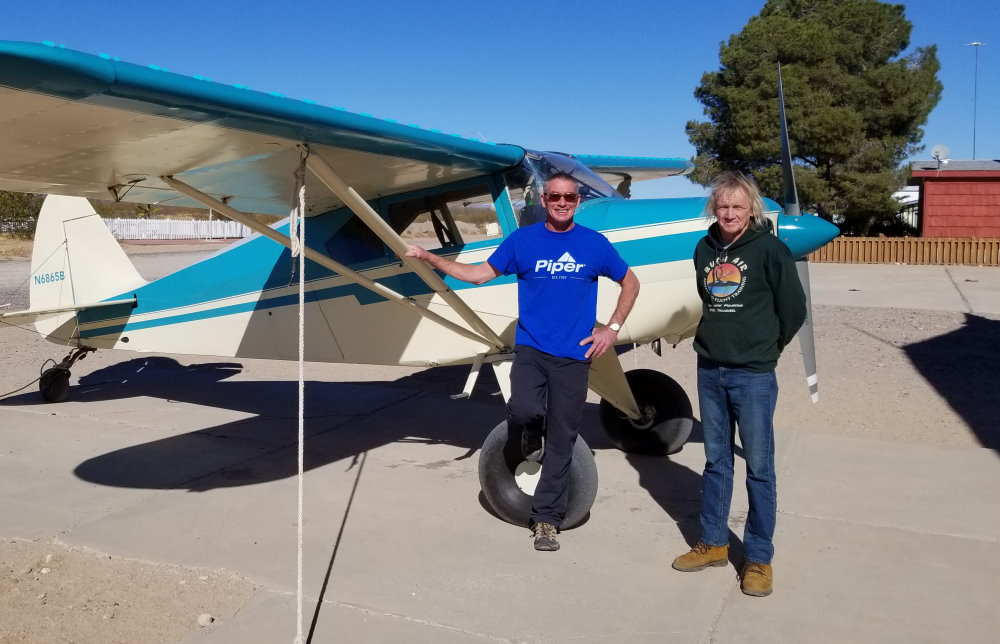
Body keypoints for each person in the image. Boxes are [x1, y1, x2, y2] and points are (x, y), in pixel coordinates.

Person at [406, 172, 639, 552]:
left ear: (577, 201)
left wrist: (611, 329)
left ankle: (546, 519)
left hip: (574, 355)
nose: (562, 202)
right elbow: (478, 275)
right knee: (525, 409)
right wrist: (429, 257)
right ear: (543, 201)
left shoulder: (594, 244)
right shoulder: (524, 240)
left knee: (563, 438)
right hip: (532, 348)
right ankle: (529, 435)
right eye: (554, 197)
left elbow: (631, 283)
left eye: (569, 197)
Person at [671, 171, 806, 597]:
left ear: (751, 210)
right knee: (716, 463)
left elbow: (793, 309)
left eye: (738, 206)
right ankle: (713, 542)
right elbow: (707, 298)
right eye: (723, 206)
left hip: (753, 375)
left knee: (760, 470)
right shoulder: (704, 249)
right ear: (715, 208)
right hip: (710, 370)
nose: (729, 213)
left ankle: (759, 559)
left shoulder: (770, 250)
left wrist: (766, 351)